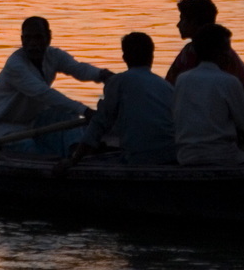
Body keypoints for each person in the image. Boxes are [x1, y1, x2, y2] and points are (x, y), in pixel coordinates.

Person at [0, 15, 112, 156]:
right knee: (34, 152)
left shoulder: (54, 55)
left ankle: (76, 152)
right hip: (2, 130)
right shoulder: (15, 66)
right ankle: (72, 154)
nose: (33, 44)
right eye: (28, 39)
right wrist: (85, 111)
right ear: (22, 40)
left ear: (48, 38)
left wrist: (105, 75)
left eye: (38, 38)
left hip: (32, 122)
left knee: (67, 113)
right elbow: (44, 93)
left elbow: (79, 69)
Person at [60, 31, 175, 169]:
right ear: (151, 57)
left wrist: (74, 160)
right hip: (172, 155)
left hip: (139, 158)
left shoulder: (118, 82)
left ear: (124, 57)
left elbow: (99, 123)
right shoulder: (166, 86)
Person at [172, 23, 244, 165]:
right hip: (223, 156)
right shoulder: (229, 82)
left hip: (186, 156)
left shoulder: (182, 80)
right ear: (220, 52)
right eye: (227, 49)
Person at [165, 0, 244, 99]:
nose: (178, 25)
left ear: (194, 23)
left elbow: (169, 87)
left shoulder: (189, 53)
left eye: (182, 19)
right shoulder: (228, 52)